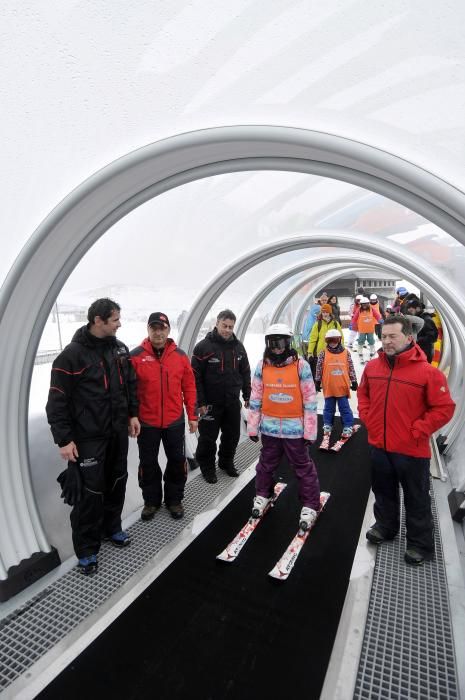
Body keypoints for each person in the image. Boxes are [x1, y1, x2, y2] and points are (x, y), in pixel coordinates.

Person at [46, 298, 140, 575]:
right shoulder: (71, 356)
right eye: (115, 319)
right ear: (98, 320)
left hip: (116, 432)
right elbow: (57, 401)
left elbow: (130, 386)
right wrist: (64, 440)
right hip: (88, 438)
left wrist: (133, 415)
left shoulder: (120, 350)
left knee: (117, 481)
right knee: (90, 494)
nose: (119, 324)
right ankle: (87, 549)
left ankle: (112, 528)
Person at [357, 315, 455, 566]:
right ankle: (385, 527)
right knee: (383, 491)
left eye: (393, 336)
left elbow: (444, 408)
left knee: (417, 497)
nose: (386, 341)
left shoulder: (426, 373)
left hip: (411, 448)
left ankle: (420, 544)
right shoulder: (373, 367)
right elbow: (363, 393)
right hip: (379, 444)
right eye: (384, 336)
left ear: (409, 338)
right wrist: (368, 417)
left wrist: (418, 430)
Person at [247, 324, 320, 530]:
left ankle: (310, 504)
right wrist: (253, 426)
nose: (277, 349)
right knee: (265, 464)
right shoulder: (262, 366)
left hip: (294, 430)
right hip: (270, 428)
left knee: (302, 467)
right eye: (272, 343)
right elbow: (256, 397)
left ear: (289, 344)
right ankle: (263, 494)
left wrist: (309, 431)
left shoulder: (301, 366)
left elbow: (310, 399)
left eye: (280, 343)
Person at [130, 312, 198, 522]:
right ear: (148, 330)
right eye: (154, 328)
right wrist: (131, 416)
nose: (158, 333)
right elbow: (129, 391)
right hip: (147, 422)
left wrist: (192, 416)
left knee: (177, 461)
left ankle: (174, 499)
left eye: (162, 328)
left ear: (168, 330)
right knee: (148, 463)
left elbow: (189, 387)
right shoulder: (135, 356)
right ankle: (151, 502)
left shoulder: (179, 356)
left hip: (174, 421)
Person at [192, 309, 251, 484]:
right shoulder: (203, 347)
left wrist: (247, 394)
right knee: (208, 439)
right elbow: (195, 378)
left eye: (230, 327)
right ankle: (208, 468)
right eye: (224, 326)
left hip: (232, 402)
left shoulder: (238, 347)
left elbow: (245, 372)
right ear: (217, 323)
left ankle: (226, 462)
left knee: (232, 436)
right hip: (210, 404)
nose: (227, 330)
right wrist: (200, 402)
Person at [314, 328, 358, 442]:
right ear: (326, 341)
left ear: (339, 340)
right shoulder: (323, 353)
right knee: (329, 408)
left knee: (344, 408)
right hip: (329, 386)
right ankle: (328, 424)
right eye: (330, 340)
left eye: (335, 340)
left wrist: (353, 380)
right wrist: (317, 381)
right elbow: (319, 368)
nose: (332, 343)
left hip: (342, 386)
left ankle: (348, 425)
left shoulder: (345, 353)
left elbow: (351, 367)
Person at [307, 303, 343, 375]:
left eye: (326, 312)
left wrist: (342, 349)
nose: (325, 314)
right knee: (321, 373)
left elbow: (341, 337)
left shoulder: (335, 323)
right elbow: (312, 339)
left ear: (330, 313)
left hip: (334, 352)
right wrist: (310, 352)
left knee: (331, 372)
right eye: (323, 312)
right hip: (321, 353)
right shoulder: (318, 324)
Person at [351, 296, 382, 363]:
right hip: (362, 329)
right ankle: (360, 350)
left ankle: (372, 350)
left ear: (368, 304)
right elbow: (355, 318)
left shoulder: (371, 309)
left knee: (371, 340)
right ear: (361, 304)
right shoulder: (359, 310)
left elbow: (377, 315)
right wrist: (352, 324)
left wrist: (380, 320)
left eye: (366, 304)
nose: (364, 305)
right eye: (363, 304)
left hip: (370, 329)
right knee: (361, 340)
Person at [301, 291, 329, 356]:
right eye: (323, 300)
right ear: (320, 300)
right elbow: (318, 318)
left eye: (325, 300)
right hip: (311, 330)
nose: (324, 301)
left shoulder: (321, 307)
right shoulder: (318, 307)